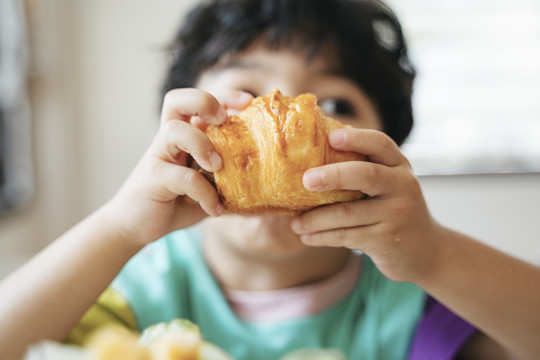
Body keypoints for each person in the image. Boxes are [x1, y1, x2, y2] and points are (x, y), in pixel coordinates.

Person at [1, 0, 540, 359]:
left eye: (332, 103)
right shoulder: (133, 292)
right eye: (245, 89)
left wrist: (435, 254)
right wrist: (118, 228)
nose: (282, 110)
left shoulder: (408, 305)